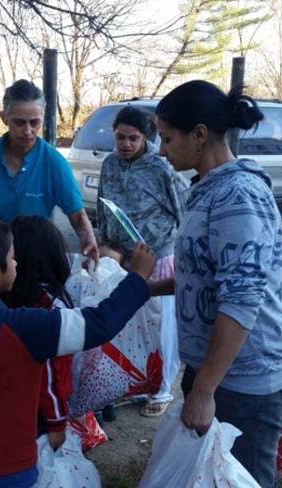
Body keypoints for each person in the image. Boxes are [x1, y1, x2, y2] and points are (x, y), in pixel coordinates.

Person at [0, 216, 156, 488]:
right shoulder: (26, 328)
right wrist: (136, 278)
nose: (17, 263)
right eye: (12, 257)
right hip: (6, 470)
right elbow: (98, 325)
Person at [150, 81, 282, 488]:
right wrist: (149, 287)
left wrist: (203, 391)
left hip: (244, 382)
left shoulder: (238, 195)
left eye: (167, 138)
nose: (161, 150)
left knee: (242, 479)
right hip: (215, 372)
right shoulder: (207, 188)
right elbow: (206, 275)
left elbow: (242, 298)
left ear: (199, 135)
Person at [96, 105, 187, 418]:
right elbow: (102, 206)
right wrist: (102, 242)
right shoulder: (109, 164)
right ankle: (137, 382)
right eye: (120, 137)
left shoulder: (161, 168)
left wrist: (181, 247)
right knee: (129, 325)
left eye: (133, 138)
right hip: (121, 258)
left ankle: (162, 388)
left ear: (146, 137)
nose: (125, 144)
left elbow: (184, 209)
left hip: (158, 256)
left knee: (162, 327)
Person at [0, 79, 99, 265]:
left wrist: (88, 238)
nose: (28, 131)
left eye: (35, 123)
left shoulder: (53, 161)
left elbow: (77, 215)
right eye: (19, 123)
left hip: (37, 250)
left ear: (42, 118)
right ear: (4, 118)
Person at [0, 215, 76, 451]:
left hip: (3, 403)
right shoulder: (51, 310)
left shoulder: (0, 300)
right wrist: (56, 422)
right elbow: (50, 373)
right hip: (39, 413)